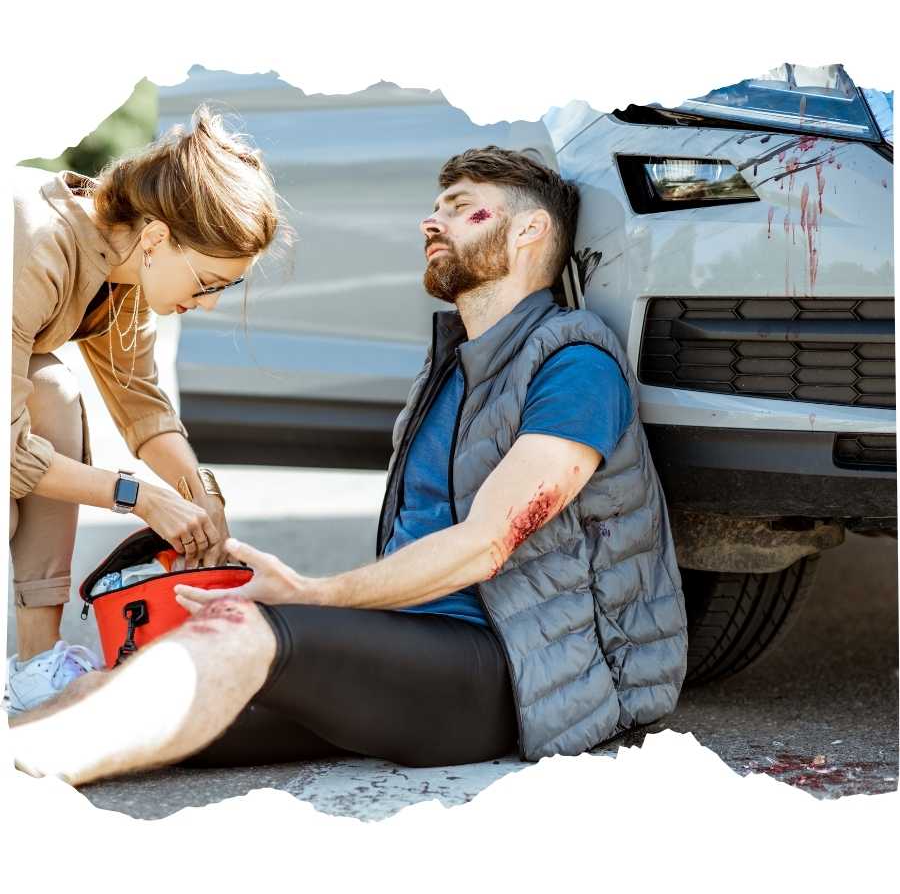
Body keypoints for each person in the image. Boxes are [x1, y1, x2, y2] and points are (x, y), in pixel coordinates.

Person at [9, 146, 687, 785]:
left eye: (460, 206)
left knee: (242, 630)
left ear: (528, 232)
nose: (433, 220)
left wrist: (309, 594)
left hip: (513, 672)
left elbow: (486, 544)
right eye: (437, 205)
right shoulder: (449, 368)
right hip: (412, 651)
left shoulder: (574, 364)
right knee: (112, 682)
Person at [6, 105, 283, 714]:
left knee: (51, 391)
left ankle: (36, 665)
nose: (208, 304)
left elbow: (142, 406)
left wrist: (201, 495)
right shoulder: (34, 244)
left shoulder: (121, 268)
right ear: (157, 237)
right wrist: (139, 496)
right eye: (208, 282)